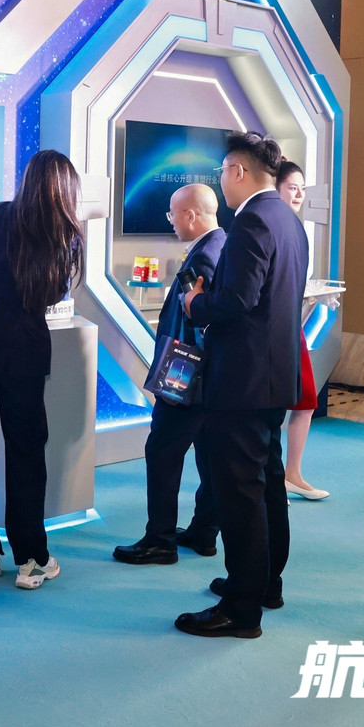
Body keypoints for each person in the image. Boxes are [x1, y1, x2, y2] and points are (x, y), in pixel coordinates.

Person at [174, 132, 309, 639]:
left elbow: (238, 300)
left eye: (222, 172)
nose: (221, 181)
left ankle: (241, 608)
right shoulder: (288, 219)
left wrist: (196, 304)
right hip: (273, 376)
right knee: (266, 482)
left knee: (241, 492)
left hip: (243, 379)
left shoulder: (251, 220)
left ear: (237, 171)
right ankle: (264, 582)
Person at [0, 149, 85, 590]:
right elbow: (53, 292)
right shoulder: (63, 232)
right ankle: (30, 559)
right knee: (26, 455)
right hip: (21, 355)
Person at [112, 184, 224, 564]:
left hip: (188, 375)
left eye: (172, 214)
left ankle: (159, 539)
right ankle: (203, 532)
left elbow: (201, 320)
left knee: (162, 451)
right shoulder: (220, 246)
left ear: (190, 215)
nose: (171, 221)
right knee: (208, 454)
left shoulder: (204, 257)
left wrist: (177, 379)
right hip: (209, 378)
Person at [275, 159, 325, 501]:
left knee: (306, 400)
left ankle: (292, 473)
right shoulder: (265, 224)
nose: (298, 194)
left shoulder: (295, 227)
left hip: (291, 326)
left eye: (302, 188)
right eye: (292, 187)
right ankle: (275, 478)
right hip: (274, 332)